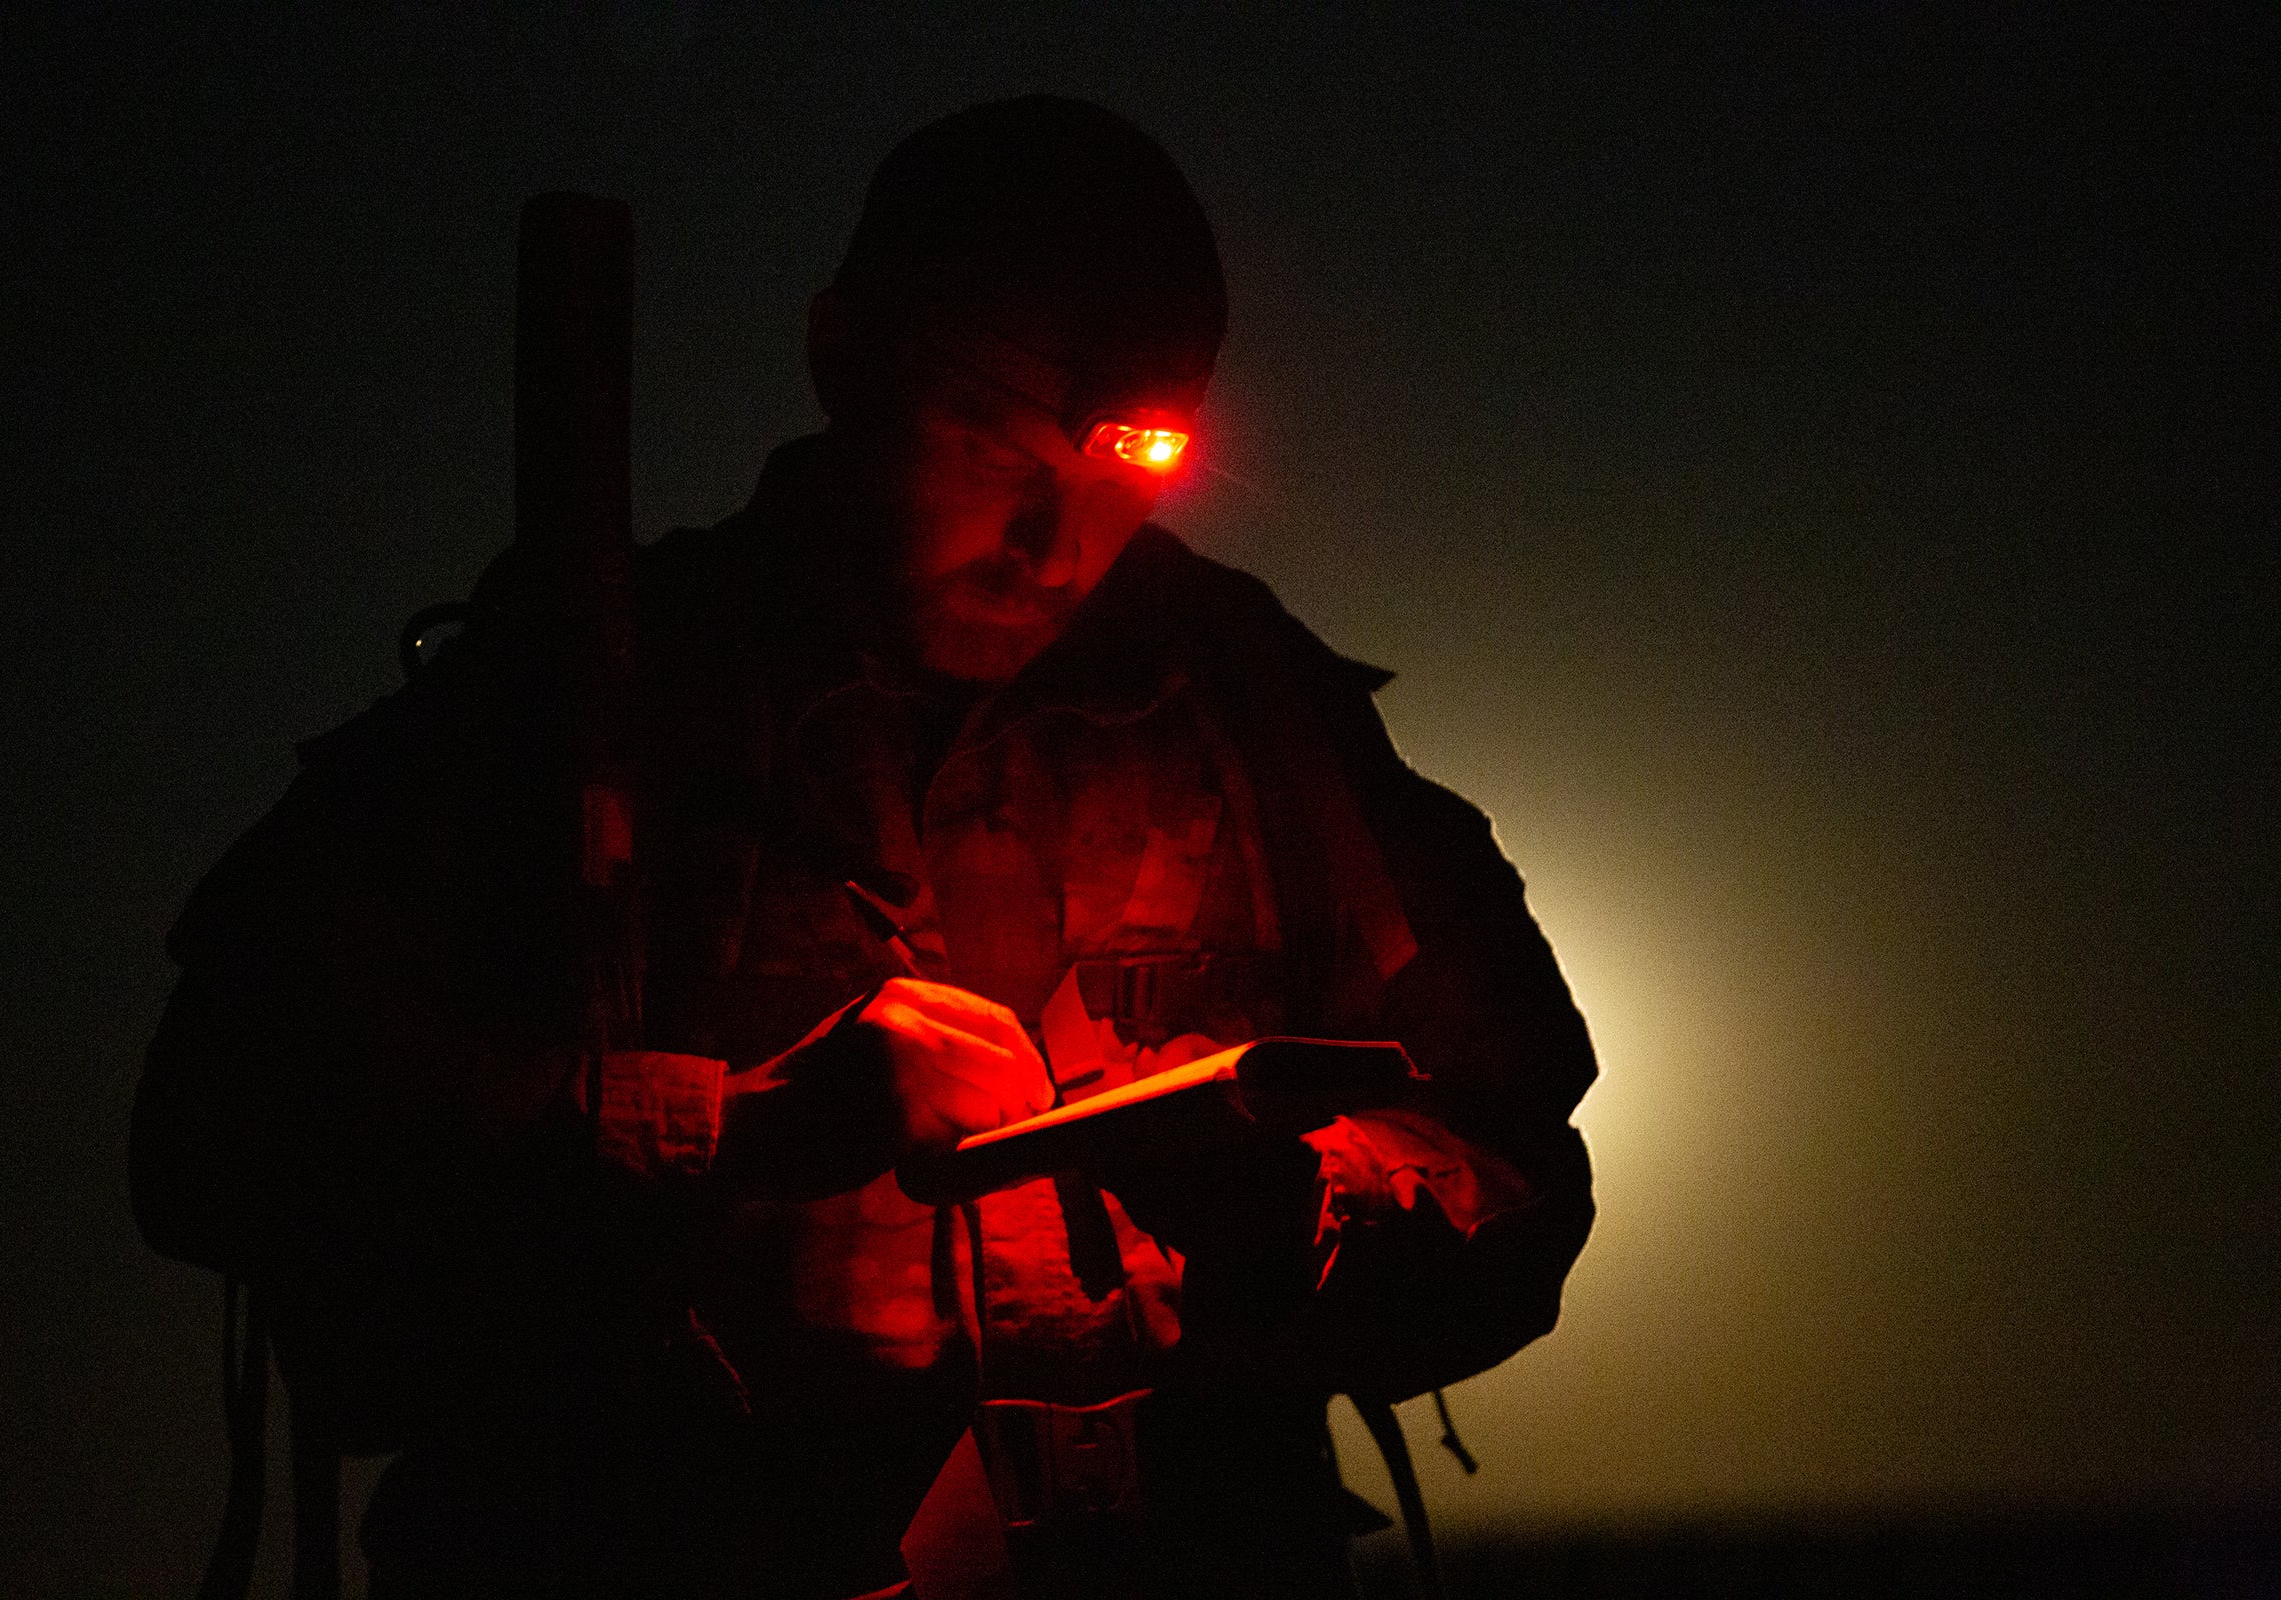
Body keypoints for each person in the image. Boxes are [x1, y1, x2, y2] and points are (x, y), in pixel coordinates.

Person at [131, 95, 1597, 1599]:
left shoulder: (1254, 712)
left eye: (1130, 462)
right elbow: (210, 1129)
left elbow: (1525, 1168)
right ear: (848, 362)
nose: (1052, 542)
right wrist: (726, 1127)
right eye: (991, 440)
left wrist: (1297, 1202)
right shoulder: (588, 696)